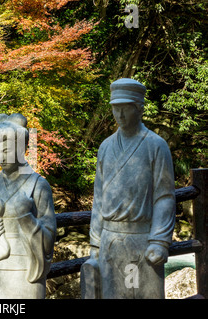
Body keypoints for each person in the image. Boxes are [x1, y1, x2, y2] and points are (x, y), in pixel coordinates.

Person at [81, 78, 176, 299]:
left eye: (126, 109)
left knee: (142, 294)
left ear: (139, 109)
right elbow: (99, 198)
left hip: (141, 238)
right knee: (114, 294)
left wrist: (159, 240)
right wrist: (95, 242)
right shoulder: (106, 146)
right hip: (110, 240)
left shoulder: (156, 145)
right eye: (116, 109)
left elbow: (164, 196)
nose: (120, 115)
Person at [0, 113, 56, 299]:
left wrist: (26, 219)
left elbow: (49, 238)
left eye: (7, 151)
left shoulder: (38, 185)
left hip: (26, 270)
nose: (2, 157)